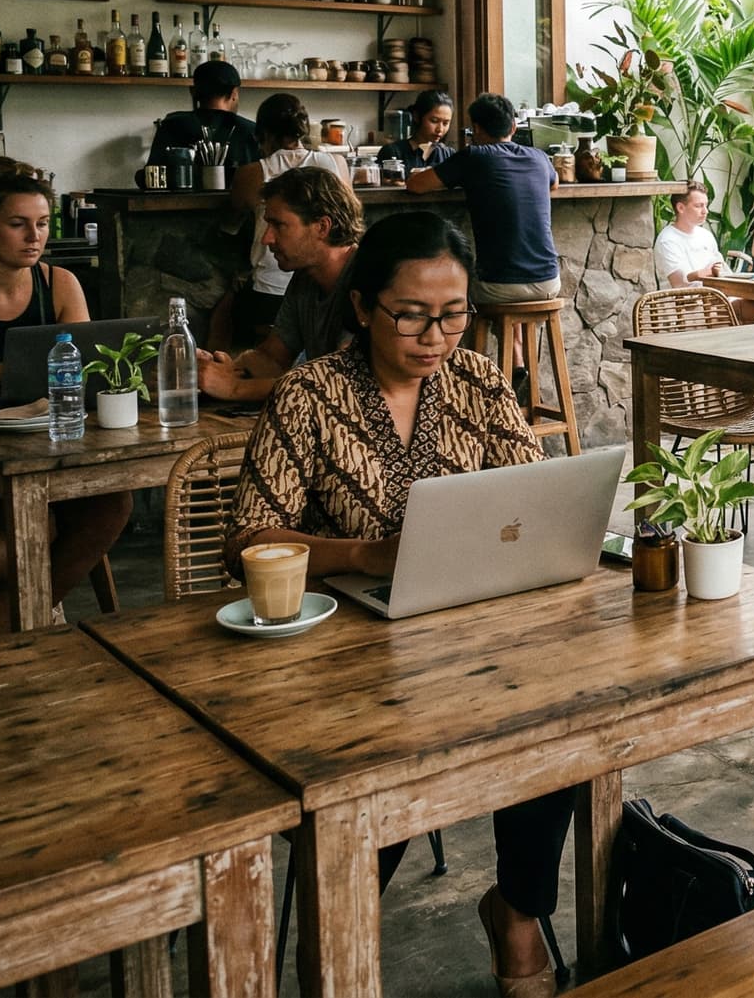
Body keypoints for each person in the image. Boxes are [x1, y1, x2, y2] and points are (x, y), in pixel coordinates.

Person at [226, 211, 571, 994]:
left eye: (453, 314)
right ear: (361, 307)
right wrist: (364, 556)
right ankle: (339, 948)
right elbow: (246, 536)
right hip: (345, 663)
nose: (435, 335)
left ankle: (516, 914)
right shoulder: (310, 394)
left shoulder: (481, 382)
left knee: (565, 723)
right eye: (410, 313)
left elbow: (535, 496)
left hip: (472, 638)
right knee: (378, 783)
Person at [0, 173, 127, 637]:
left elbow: (87, 372)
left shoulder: (59, 283)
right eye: (18, 224)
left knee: (111, 503)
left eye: (42, 223)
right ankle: (7, 635)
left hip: (45, 446)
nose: (34, 236)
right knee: (33, 517)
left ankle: (0, 630)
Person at [198, 167, 361, 404]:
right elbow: (272, 358)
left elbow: (338, 382)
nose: (266, 239)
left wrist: (236, 388)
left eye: (278, 225)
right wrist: (228, 368)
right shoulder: (306, 277)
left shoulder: (365, 278)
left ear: (322, 227)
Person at [408, 94, 561, 305]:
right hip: (549, 282)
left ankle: (478, 339)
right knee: (505, 289)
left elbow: (415, 185)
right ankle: (514, 340)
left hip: (499, 286)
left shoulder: (473, 156)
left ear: (477, 129)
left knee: (450, 293)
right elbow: (554, 184)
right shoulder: (539, 157)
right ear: (513, 127)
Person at [231, 94, 351, 335]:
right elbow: (348, 216)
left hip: (270, 288)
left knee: (227, 302)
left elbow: (232, 219)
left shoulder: (252, 173)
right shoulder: (336, 163)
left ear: (264, 133)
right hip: (329, 284)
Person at [139, 59, 260, 183]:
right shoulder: (252, 130)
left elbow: (151, 178)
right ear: (234, 93)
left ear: (193, 91)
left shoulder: (172, 125)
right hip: (238, 201)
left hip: (179, 202)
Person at [653, 182, 726, 288]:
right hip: (683, 302)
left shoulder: (706, 235)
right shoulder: (667, 240)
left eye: (706, 205)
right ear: (681, 208)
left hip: (715, 297)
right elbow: (679, 283)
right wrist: (710, 272)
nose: (705, 211)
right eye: (698, 206)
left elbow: (722, 269)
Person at [376, 89, 456, 179]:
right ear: (417, 117)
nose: (440, 129)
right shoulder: (393, 152)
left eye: (445, 123)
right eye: (434, 121)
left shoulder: (448, 154)